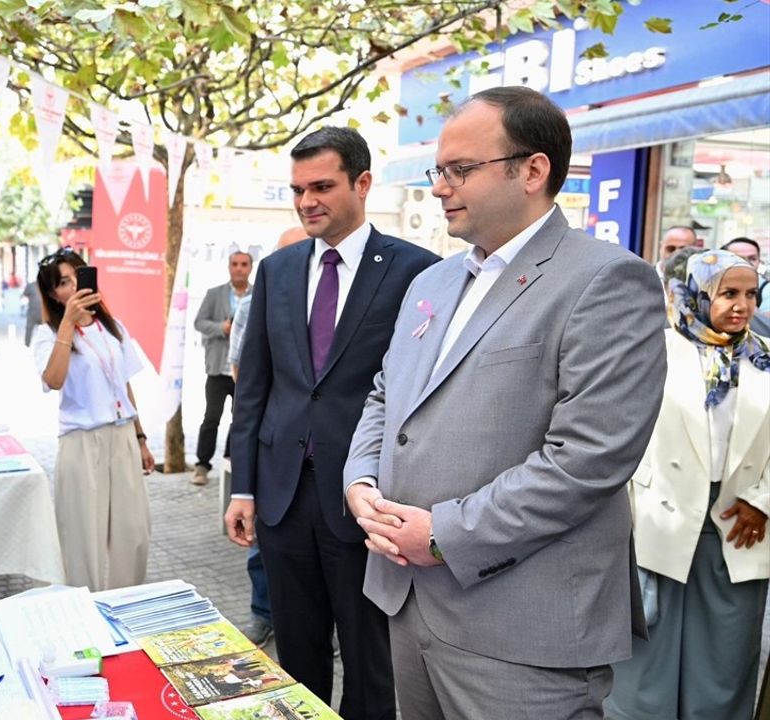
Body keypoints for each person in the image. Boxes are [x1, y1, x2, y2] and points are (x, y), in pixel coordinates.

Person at [344, 86, 666, 718]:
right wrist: (360, 479)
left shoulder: (606, 280)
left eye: (461, 169)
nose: (441, 187)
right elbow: (388, 396)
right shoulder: (432, 281)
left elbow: (586, 460)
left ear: (533, 170)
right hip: (408, 602)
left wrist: (442, 534)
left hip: (523, 628)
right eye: (440, 170)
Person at [225, 126, 438, 719]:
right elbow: (256, 389)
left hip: (366, 498)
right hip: (282, 496)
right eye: (297, 189)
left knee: (373, 659)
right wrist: (243, 486)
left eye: (321, 186)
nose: (306, 201)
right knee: (296, 654)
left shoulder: (417, 272)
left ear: (362, 183)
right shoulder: (277, 270)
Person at [605, 250, 769, 720]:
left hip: (738, 525)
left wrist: (763, 502)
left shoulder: (765, 357)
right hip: (657, 521)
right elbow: (618, 431)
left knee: (724, 663)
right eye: (729, 293)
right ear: (696, 294)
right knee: (645, 664)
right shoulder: (651, 348)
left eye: (751, 294)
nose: (742, 305)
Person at [33, 247, 155, 591]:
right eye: (63, 283)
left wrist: (141, 438)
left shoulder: (112, 328)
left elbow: (124, 385)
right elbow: (53, 380)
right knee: (82, 537)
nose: (72, 287)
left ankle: (125, 606)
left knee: (133, 533)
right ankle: (84, 616)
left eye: (77, 277)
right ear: (53, 294)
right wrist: (67, 326)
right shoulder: (47, 334)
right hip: (81, 442)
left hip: (123, 438)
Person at [227, 229, 305, 647]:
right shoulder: (258, 299)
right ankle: (263, 613)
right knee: (263, 542)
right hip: (272, 440)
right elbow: (242, 373)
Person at [191, 251, 252, 486]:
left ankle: (232, 460)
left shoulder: (259, 293)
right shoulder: (214, 294)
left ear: (250, 267)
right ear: (228, 267)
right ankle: (202, 465)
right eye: (235, 264)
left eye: (244, 264)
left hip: (245, 372)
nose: (239, 268)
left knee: (241, 419)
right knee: (211, 418)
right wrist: (220, 328)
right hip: (217, 368)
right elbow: (199, 322)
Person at [722, 237, 768, 311]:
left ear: (759, 261)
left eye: (752, 259)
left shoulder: (766, 288)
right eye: (739, 258)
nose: (746, 263)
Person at [24, 279, 43, 346]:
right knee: (29, 328)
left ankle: (42, 344)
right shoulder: (31, 286)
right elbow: (25, 295)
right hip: (32, 312)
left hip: (43, 313)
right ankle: (27, 345)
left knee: (45, 330)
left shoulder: (45, 286)